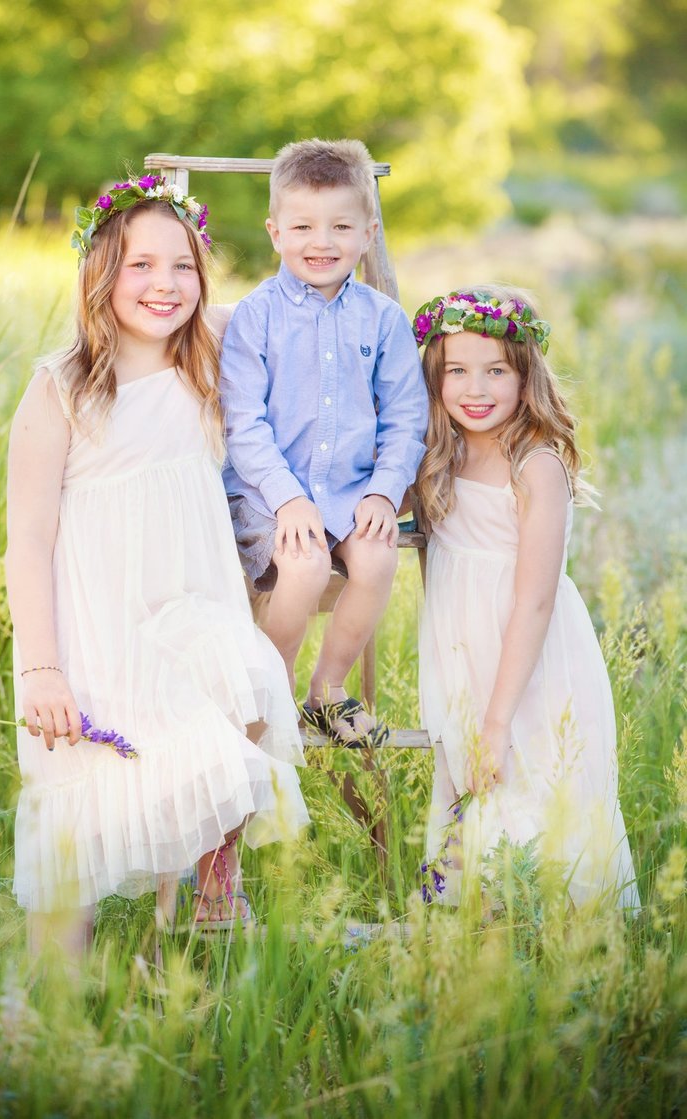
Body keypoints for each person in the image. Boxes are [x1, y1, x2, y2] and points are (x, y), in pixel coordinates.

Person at [5, 174, 309, 952]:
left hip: (190, 605)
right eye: (140, 265)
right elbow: (29, 541)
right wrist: (42, 668)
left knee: (244, 676)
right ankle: (51, 1015)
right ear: (101, 272)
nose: (164, 284)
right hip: (92, 630)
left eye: (182, 265)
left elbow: (309, 310)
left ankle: (212, 887)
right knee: (81, 803)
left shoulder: (214, 359)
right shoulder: (62, 387)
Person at [414, 285, 639, 909]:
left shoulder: (535, 465)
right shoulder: (443, 453)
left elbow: (535, 601)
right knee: (473, 791)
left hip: (529, 668)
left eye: (496, 371)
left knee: (532, 784)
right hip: (465, 654)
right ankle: (479, 935)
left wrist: (497, 717)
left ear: (526, 376)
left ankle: (561, 939)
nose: (475, 389)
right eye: (456, 370)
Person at [221, 138, 427, 745]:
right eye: (304, 225)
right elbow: (243, 423)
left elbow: (405, 418)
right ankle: (273, 687)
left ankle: (328, 691)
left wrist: (386, 495)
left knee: (376, 557)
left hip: (352, 490)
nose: (323, 242)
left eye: (341, 226)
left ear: (368, 233)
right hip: (269, 493)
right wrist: (287, 498)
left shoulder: (384, 318)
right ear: (275, 232)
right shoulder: (256, 316)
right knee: (305, 568)